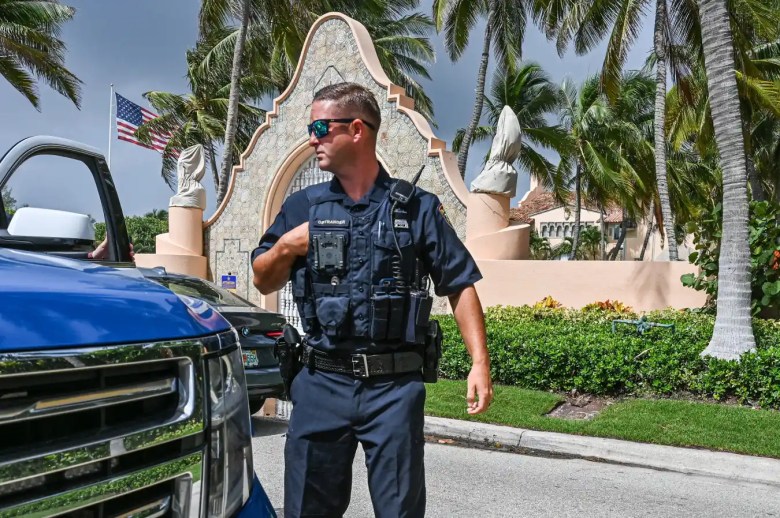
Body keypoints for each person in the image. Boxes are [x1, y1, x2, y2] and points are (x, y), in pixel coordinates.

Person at [251, 82, 492, 518]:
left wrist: (480, 362)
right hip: (321, 381)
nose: (313, 139)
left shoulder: (417, 208)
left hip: (394, 389)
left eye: (322, 127)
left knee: (400, 510)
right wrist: (287, 246)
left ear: (358, 130)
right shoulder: (302, 206)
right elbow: (263, 279)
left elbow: (459, 283)